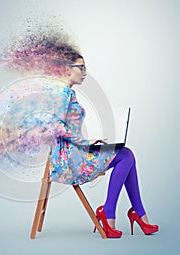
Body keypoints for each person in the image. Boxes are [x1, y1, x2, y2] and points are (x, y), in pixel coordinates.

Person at [48, 51, 159, 238]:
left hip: (78, 151)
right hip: (70, 160)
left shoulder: (68, 93)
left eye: (85, 68)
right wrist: (86, 142)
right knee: (126, 155)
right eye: (81, 68)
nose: (84, 72)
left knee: (126, 153)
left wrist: (90, 139)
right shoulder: (62, 93)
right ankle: (119, 213)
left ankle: (133, 213)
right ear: (67, 69)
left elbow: (69, 126)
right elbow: (55, 126)